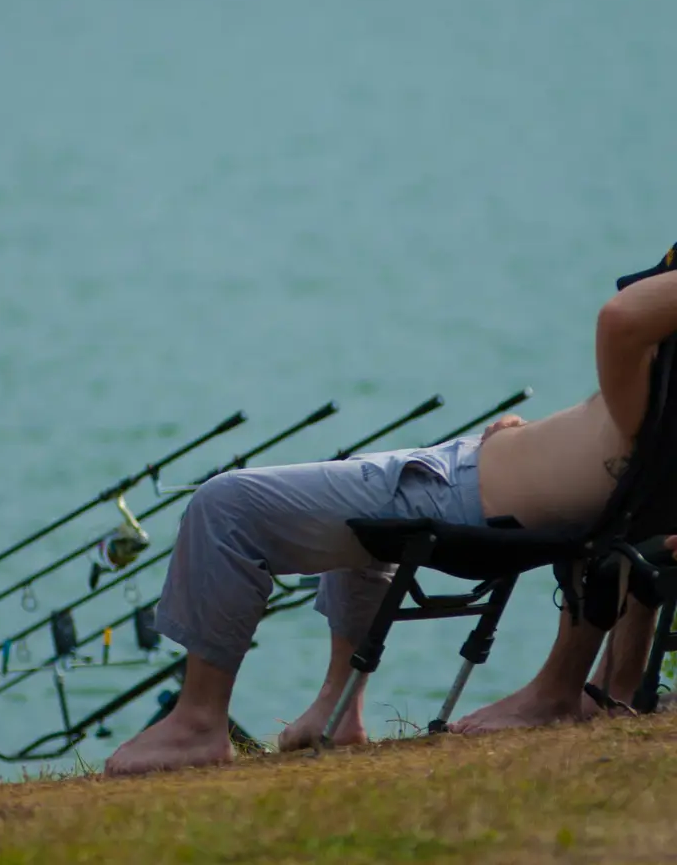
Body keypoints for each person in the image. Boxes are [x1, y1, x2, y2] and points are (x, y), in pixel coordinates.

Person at [105, 241, 677, 777]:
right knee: (348, 494)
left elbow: (620, 321)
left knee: (223, 504)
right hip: (475, 475)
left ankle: (198, 723)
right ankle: (338, 706)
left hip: (464, 494)